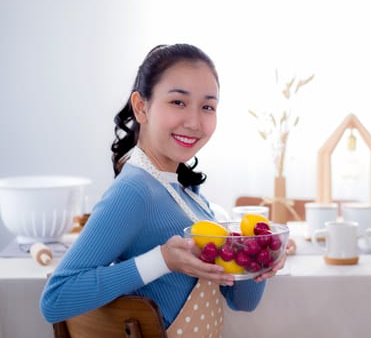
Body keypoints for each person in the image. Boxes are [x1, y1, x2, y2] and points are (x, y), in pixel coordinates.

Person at [40, 43, 287, 336]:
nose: (194, 122)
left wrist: (258, 257)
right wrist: (163, 260)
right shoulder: (135, 190)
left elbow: (241, 302)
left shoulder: (186, 193)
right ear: (141, 107)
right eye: (178, 102)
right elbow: (56, 298)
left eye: (207, 106)